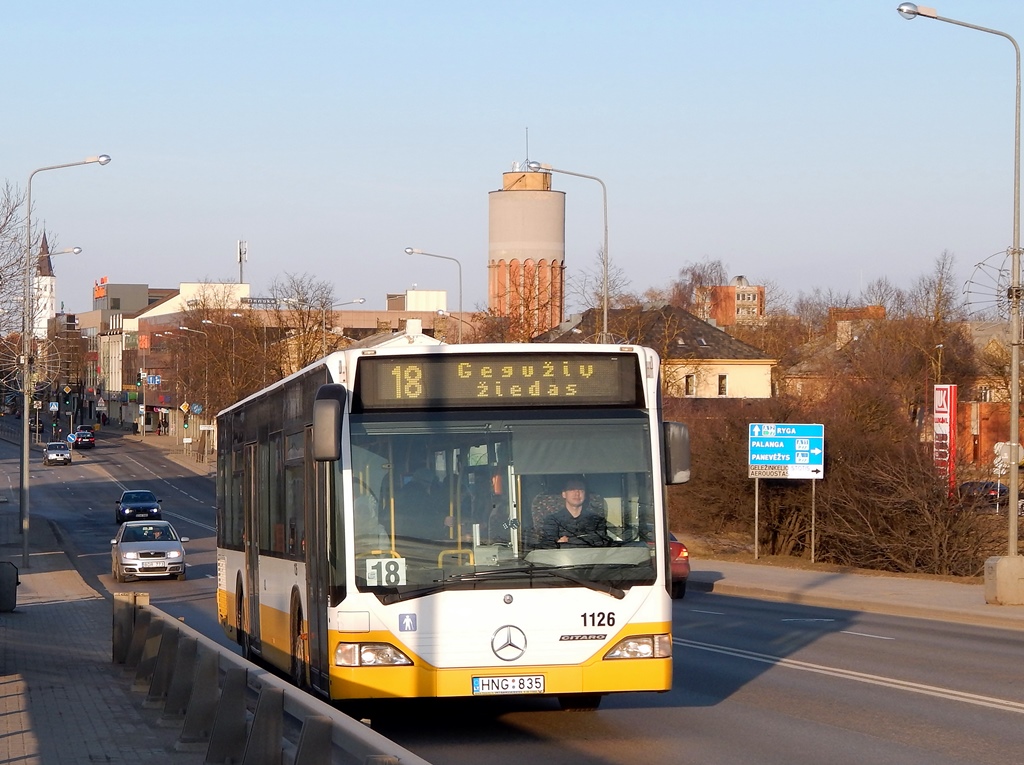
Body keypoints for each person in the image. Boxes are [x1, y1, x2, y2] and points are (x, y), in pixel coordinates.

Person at [539, 476, 611, 548]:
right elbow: (548, 545)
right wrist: (588, 540)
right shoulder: (552, 521)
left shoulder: (597, 520)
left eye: (581, 489)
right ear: (564, 494)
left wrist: (568, 542)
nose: (577, 493)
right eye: (572, 489)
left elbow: (602, 542)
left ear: (585, 495)